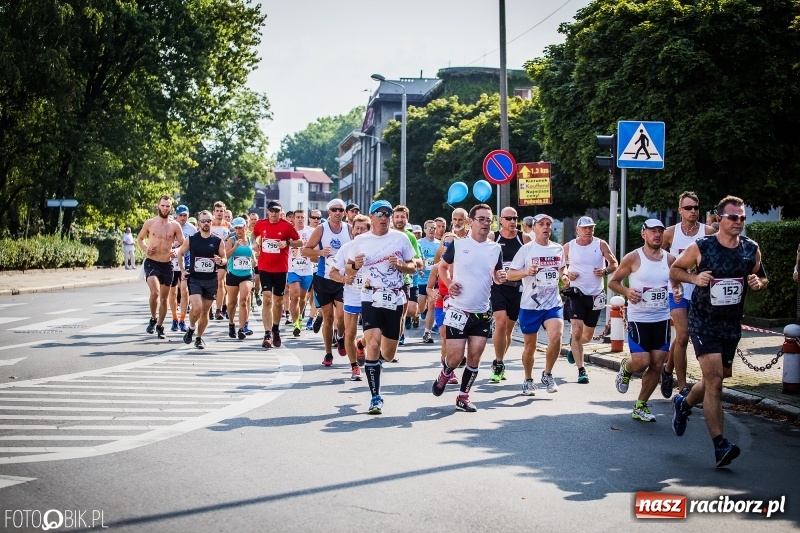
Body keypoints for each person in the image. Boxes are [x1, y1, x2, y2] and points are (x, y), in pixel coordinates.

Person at [670, 195, 768, 468]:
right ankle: (719, 445)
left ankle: (684, 403)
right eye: (733, 217)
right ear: (720, 219)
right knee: (714, 381)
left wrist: (758, 283)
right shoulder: (701, 247)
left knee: (718, 376)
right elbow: (675, 270)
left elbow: (762, 276)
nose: (739, 222)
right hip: (703, 322)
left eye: (742, 218)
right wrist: (694, 278)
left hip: (731, 326)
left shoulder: (751, 249)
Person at [431, 204, 505, 412]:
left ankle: (463, 396)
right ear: (471, 221)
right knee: (455, 358)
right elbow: (442, 267)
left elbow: (497, 276)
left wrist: (501, 278)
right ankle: (445, 373)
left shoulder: (495, 248)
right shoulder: (458, 245)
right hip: (458, 309)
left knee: (475, 357)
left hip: (482, 311)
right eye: (481, 219)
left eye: (489, 220)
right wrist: (449, 282)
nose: (485, 223)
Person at [346, 200, 416, 414]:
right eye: (380, 213)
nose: (384, 217)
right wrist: (356, 265)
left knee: (387, 352)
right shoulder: (360, 241)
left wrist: (401, 265)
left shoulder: (400, 238)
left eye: (388, 213)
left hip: (394, 298)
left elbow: (413, 267)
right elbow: (349, 273)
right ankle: (375, 396)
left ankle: (363, 345)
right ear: (372, 216)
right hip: (370, 296)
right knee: (374, 345)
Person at [609, 219, 678, 422]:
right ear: (644, 234)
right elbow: (613, 282)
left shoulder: (671, 259)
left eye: (660, 231)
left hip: (662, 318)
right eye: (652, 231)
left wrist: (678, 292)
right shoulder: (633, 258)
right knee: (641, 362)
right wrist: (627, 291)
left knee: (657, 364)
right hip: (639, 318)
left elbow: (677, 283)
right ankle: (626, 368)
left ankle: (641, 405)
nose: (657, 235)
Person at [660, 191, 716, 398]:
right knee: (682, 336)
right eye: (688, 208)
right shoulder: (670, 233)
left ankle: (667, 370)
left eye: (696, 207)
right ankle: (682, 386)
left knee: (690, 335)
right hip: (677, 292)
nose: (693, 211)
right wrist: (669, 280)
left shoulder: (708, 231)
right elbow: (658, 253)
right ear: (680, 210)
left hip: (702, 293)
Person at [505, 214, 566, 395]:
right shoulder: (526, 250)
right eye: (542, 224)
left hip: (552, 303)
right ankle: (528, 379)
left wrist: (564, 276)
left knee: (557, 336)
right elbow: (510, 275)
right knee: (530, 346)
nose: (546, 227)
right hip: (530, 305)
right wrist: (526, 271)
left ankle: (547, 374)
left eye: (548, 224)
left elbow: (562, 267)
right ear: (535, 228)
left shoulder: (558, 249)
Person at [562, 216, 619, 384]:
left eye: (591, 228)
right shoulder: (569, 246)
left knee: (587, 336)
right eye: (585, 228)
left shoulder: (600, 244)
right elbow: (561, 267)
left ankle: (574, 345)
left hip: (595, 294)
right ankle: (581, 370)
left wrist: (605, 270)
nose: (588, 231)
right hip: (576, 293)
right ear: (577, 230)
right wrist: (566, 275)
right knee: (577, 330)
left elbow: (614, 262)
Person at [302, 199, 352, 365]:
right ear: (328, 212)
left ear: (344, 212)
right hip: (324, 279)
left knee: (341, 317)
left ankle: (341, 336)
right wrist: (321, 253)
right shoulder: (321, 229)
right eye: (334, 209)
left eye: (340, 209)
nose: (338, 212)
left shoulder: (349, 229)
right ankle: (328, 353)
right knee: (328, 317)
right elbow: (305, 251)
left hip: (342, 280)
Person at [488, 206, 531, 382]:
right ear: (500, 221)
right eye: (508, 218)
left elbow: (532, 259)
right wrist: (494, 274)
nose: (513, 221)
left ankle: (500, 359)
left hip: (517, 287)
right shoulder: (493, 238)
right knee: (500, 323)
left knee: (508, 329)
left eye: (515, 218)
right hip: (498, 286)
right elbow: (484, 260)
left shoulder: (524, 238)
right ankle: (498, 364)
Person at [252, 200, 302, 349]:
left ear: (281, 212)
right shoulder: (260, 224)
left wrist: (287, 243)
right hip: (264, 266)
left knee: (278, 301)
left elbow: (299, 242)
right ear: (267, 211)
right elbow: (254, 236)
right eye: (271, 210)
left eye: (277, 211)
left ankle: (275, 328)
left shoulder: (286, 226)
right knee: (267, 298)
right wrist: (254, 244)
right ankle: (267, 334)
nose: (274, 213)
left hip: (281, 268)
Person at [176, 211, 226, 349]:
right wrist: (182, 270)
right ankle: (191, 327)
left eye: (208, 221)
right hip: (195, 279)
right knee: (197, 307)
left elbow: (224, 258)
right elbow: (180, 253)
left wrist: (220, 260)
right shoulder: (192, 239)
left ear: (212, 222)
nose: (206, 223)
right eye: (203, 221)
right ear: (198, 223)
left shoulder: (217, 240)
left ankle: (198, 337)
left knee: (205, 311)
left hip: (211, 280)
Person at [137, 196, 185, 339]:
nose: (165, 208)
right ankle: (153, 318)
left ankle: (160, 325)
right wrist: (145, 248)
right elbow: (140, 239)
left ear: (171, 208)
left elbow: (183, 244)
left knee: (164, 299)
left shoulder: (175, 225)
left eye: (168, 206)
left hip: (167, 264)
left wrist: (176, 251)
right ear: (158, 206)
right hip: (152, 262)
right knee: (155, 293)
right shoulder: (150, 223)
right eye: (163, 205)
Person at [330, 214, 371, 380]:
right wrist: (344, 278)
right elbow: (332, 273)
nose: (359, 231)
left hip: (371, 294)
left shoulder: (376, 247)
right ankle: (354, 366)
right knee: (350, 332)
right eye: (357, 228)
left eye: (363, 228)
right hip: (352, 294)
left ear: (369, 230)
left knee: (373, 333)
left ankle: (361, 344)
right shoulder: (346, 248)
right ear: (352, 229)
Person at [392, 205, 423, 347]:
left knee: (404, 313)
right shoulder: (386, 234)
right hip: (384, 282)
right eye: (397, 216)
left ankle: (399, 338)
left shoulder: (410, 237)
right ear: (392, 218)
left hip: (404, 280)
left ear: (407, 219)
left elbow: (419, 261)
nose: (399, 220)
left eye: (402, 217)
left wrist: (403, 261)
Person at [225, 217, 255, 340]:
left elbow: (252, 253)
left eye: (240, 227)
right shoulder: (231, 240)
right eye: (236, 228)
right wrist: (235, 246)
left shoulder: (250, 240)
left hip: (247, 274)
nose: (238, 230)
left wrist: (254, 260)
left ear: (245, 227)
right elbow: (225, 256)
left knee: (243, 300)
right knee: (232, 303)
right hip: (233, 274)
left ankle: (242, 328)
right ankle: (231, 323)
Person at [169, 205, 197, 332]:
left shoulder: (192, 229)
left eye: (185, 215)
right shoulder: (170, 225)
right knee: (172, 292)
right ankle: (174, 318)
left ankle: (182, 320)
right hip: (171, 263)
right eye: (180, 215)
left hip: (185, 263)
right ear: (176, 215)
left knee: (184, 291)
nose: (183, 218)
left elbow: (195, 246)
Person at [287, 209, 314, 336]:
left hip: (307, 269)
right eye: (298, 217)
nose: (300, 219)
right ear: (294, 218)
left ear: (305, 218)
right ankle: (295, 323)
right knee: (295, 295)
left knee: (303, 298)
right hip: (292, 269)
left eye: (302, 217)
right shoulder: (289, 231)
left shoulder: (311, 232)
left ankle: (299, 317)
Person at [417, 220, 440, 343]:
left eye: (434, 228)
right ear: (424, 230)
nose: (432, 230)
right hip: (422, 279)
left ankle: (427, 333)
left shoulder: (439, 244)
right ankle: (416, 315)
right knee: (420, 307)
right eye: (429, 228)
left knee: (432, 303)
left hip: (434, 279)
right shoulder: (419, 243)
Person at [210, 201, 232, 320]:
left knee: (220, 282)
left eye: (221, 211)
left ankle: (219, 310)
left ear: (224, 211)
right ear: (214, 212)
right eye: (217, 211)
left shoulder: (228, 225)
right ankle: (209, 309)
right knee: (210, 283)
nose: (219, 213)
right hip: (209, 257)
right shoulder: (209, 223)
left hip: (223, 257)